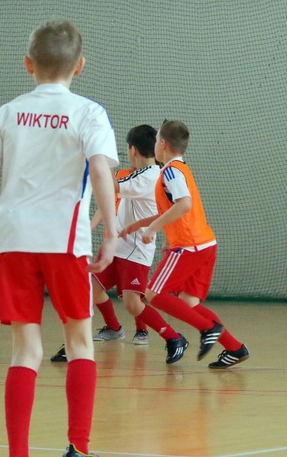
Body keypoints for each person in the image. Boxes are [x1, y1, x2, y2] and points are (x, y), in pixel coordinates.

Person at [0, 20, 120, 457]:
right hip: (65, 240)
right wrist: (112, 233)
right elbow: (101, 172)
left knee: (25, 351)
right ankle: (78, 449)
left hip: (15, 241)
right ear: (80, 65)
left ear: (28, 64)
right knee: (80, 342)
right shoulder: (89, 112)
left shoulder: (7, 113)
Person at [50, 125, 187, 364]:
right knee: (89, 289)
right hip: (119, 247)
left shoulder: (147, 176)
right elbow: (112, 193)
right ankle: (88, 338)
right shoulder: (142, 174)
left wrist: (96, 156)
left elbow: (109, 185)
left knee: (133, 304)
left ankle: (173, 337)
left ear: (132, 150)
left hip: (136, 250)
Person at [123, 120, 250, 369]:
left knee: (154, 294)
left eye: (156, 140)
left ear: (162, 144)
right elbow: (174, 209)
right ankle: (235, 348)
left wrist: (152, 229)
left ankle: (207, 328)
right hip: (204, 244)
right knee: (189, 303)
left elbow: (184, 204)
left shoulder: (171, 171)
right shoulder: (179, 170)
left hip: (189, 246)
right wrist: (144, 225)